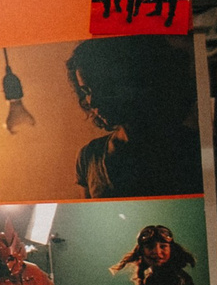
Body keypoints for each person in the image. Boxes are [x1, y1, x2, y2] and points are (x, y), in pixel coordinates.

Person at [67, 36, 203, 199]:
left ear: (136, 80)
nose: (93, 101)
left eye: (104, 88)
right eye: (86, 91)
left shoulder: (190, 149)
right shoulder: (89, 156)